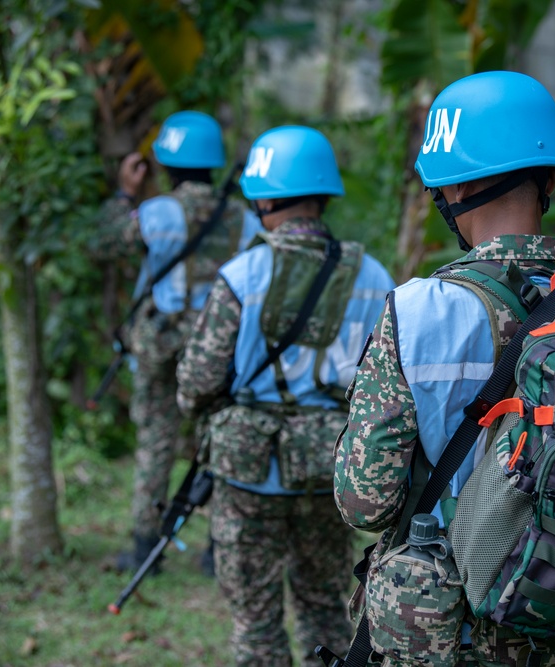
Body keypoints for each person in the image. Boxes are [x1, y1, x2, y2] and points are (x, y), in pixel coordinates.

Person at [333, 71, 555, 666]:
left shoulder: (419, 313)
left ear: (453, 190)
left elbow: (367, 503)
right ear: (548, 183)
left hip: (450, 635)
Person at [176, 125, 395, 666]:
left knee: (255, 618)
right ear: (323, 193)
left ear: (266, 196)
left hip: (248, 472)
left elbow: (199, 379)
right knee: (325, 607)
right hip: (328, 472)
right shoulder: (373, 276)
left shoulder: (243, 273)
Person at [92, 110, 248, 572]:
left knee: (156, 439)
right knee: (220, 439)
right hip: (220, 341)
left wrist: (124, 193)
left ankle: (145, 547)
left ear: (165, 164)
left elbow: (105, 242)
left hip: (161, 339)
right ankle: (217, 551)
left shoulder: (158, 212)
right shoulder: (242, 217)